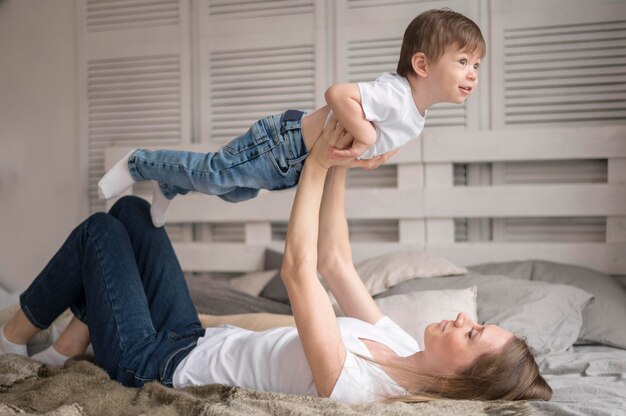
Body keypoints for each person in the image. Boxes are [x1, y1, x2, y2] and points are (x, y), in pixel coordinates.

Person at [0, 119, 552, 404]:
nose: (463, 320)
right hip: (188, 337)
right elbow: (335, 261)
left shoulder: (358, 389)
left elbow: (299, 269)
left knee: (101, 231)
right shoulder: (402, 346)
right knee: (131, 212)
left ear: (462, 380)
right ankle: (70, 345)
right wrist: (342, 160)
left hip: (154, 364)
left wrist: (313, 163)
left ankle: (13, 337)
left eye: (474, 333)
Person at [97, 8, 485, 227]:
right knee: (216, 173)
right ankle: (139, 162)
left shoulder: (417, 116)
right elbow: (337, 94)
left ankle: (171, 186)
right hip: (282, 143)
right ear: (421, 64)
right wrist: (365, 137)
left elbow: (392, 139)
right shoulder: (396, 93)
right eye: (464, 61)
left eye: (477, 65)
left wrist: (378, 156)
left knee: (233, 192)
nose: (473, 73)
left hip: (294, 167)